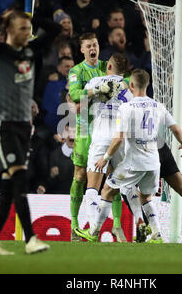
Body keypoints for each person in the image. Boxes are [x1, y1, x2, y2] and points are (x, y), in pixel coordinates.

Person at [74, 69, 182, 243]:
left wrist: (104, 158)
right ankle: (157, 235)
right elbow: (176, 129)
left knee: (106, 191)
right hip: (153, 164)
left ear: (132, 85)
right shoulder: (157, 105)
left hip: (133, 164)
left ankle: (93, 232)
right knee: (146, 198)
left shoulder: (126, 107)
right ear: (147, 84)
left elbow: (118, 138)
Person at [0, 10, 49, 255]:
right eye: (21, 28)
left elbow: (54, 29)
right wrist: (5, 17)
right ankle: (30, 238)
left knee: (9, 186)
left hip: (23, 125)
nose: (27, 32)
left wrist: (30, 17)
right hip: (4, 124)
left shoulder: (30, 51)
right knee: (19, 177)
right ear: (8, 30)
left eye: (28, 28)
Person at [67, 32, 112, 241]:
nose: (93, 48)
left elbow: (124, 80)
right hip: (85, 129)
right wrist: (95, 91)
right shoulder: (76, 71)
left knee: (112, 176)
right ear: (82, 50)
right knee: (79, 175)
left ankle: (117, 226)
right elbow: (75, 95)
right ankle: (75, 223)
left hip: (107, 128)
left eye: (95, 44)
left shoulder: (106, 66)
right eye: (88, 46)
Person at [82, 52, 131, 242]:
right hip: (121, 140)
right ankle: (144, 226)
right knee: (116, 185)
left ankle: (93, 229)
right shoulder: (129, 88)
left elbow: (81, 102)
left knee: (93, 185)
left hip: (101, 137)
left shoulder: (96, 81)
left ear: (108, 67)